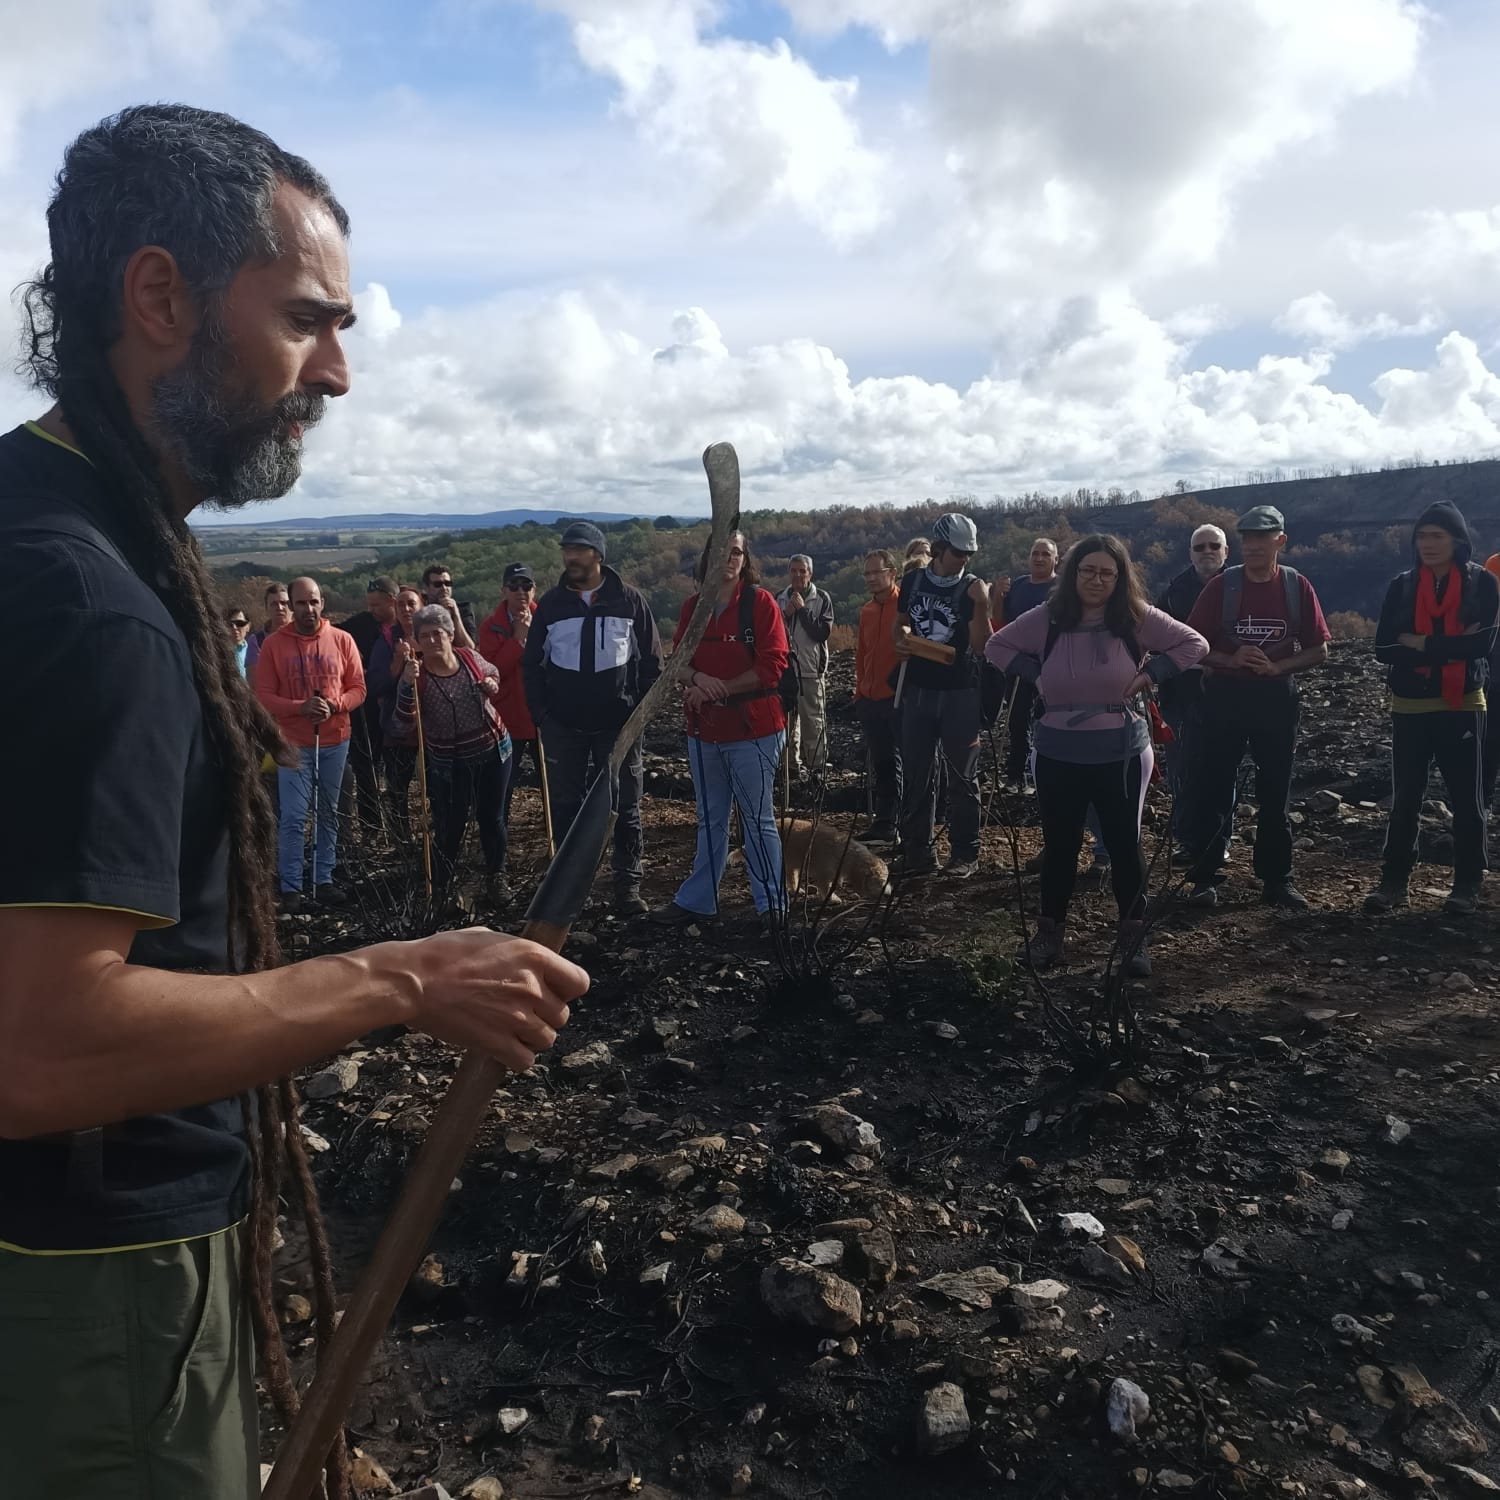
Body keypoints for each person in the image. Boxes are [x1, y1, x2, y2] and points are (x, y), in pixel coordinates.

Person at [0, 104, 586, 1500]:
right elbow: (43, 1049)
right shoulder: (95, 608)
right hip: (91, 1281)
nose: (337, 374)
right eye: (307, 322)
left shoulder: (29, 517)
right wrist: (402, 975)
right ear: (160, 296)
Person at [987, 535, 1207, 975]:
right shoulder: (1048, 617)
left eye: (1108, 573)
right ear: (1073, 572)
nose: (1097, 580)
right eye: (1088, 570)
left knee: (1126, 845)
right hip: (1057, 751)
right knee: (1061, 846)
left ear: (1120, 577)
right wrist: (1036, 675)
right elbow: (996, 647)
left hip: (1121, 751)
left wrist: (1152, 674)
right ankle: (1050, 935)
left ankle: (1133, 939)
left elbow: (1194, 644)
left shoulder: (1134, 618)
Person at [1183, 505, 1331, 910]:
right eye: (1247, 538)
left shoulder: (1297, 587)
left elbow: (1319, 649)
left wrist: (1277, 666)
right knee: (1212, 786)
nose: (1252, 546)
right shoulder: (1220, 587)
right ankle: (1205, 877)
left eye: (1262, 538)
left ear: (1280, 541)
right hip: (1224, 698)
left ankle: (1277, 879)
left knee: (1276, 789)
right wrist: (1230, 660)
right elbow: (1192, 645)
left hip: (1275, 699)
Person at [523, 520, 662, 915]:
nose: (570, 557)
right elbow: (532, 665)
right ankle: (570, 889)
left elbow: (652, 663)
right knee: (567, 807)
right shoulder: (550, 605)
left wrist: (639, 714)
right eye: (567, 550)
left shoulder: (630, 601)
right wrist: (543, 715)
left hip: (619, 727)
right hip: (563, 726)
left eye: (579, 551)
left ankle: (627, 887)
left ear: (598, 557)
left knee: (626, 807)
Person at [1365, 504, 1499, 915]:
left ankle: (1467, 883)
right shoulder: (1402, 586)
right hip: (1410, 704)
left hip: (1463, 703)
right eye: (1422, 537)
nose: (1428, 545)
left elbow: (1482, 646)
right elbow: (1383, 648)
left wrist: (1419, 643)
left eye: (1437, 536)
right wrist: (1451, 645)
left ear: (1457, 541)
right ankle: (1394, 881)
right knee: (1406, 796)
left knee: (1467, 798)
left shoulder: (1483, 584)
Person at [653, 531, 790, 927]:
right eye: (721, 553)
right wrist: (698, 680)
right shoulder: (693, 608)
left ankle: (771, 905)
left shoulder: (760, 604)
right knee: (709, 817)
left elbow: (773, 666)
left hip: (754, 731)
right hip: (705, 731)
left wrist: (721, 688)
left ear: (745, 560)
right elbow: (678, 659)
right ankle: (698, 900)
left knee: (757, 819)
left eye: (736, 553)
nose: (729, 559)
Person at [254, 576, 367, 908]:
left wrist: (335, 706)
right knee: (293, 815)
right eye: (301, 603)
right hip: (293, 744)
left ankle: (323, 878)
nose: (308, 609)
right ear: (290, 605)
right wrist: (299, 708)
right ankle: (290, 885)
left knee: (328, 813)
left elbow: (358, 688)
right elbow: (264, 696)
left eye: (314, 601)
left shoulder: (343, 640)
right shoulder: (274, 645)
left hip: (336, 739)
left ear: (323, 603)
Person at [394, 604, 513, 909]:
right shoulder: (417, 675)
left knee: (492, 817)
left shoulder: (469, 658)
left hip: (493, 750)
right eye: (425, 636)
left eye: (438, 633)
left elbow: (493, 673)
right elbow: (403, 722)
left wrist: (491, 684)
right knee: (450, 824)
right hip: (449, 763)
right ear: (417, 642)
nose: (433, 640)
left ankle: (496, 877)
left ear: (449, 634)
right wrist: (406, 684)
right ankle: (442, 887)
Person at [893, 513, 992, 878]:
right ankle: (918, 853)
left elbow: (982, 646)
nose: (964, 559)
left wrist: (982, 605)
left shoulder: (972, 589)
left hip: (959, 693)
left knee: (963, 775)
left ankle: (965, 854)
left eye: (968, 553)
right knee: (918, 771)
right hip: (918, 689)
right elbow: (901, 623)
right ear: (938, 549)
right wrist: (901, 641)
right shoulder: (912, 581)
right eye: (957, 552)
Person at [1156, 524, 1228, 859]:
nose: (1207, 552)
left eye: (1214, 545)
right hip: (1180, 694)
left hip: (1231, 692)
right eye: (1199, 547)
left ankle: (1218, 842)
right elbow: (1156, 641)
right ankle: (1187, 841)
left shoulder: (1240, 586)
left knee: (1221, 769)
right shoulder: (1173, 593)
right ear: (1190, 553)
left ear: (1225, 551)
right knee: (1181, 768)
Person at [336, 574, 400, 839]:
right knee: (366, 769)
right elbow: (333, 633)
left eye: (377, 605)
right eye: (369, 604)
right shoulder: (360, 624)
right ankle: (371, 827)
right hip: (367, 707)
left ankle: (399, 826)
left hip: (400, 705)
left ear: (392, 601)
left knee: (397, 770)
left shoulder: (407, 624)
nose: (372, 610)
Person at [477, 561, 541, 824]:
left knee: (557, 787)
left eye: (526, 585)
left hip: (542, 716)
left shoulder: (547, 618)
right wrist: (517, 640)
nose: (520, 591)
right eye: (514, 586)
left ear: (534, 590)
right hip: (507, 720)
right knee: (502, 789)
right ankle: (497, 849)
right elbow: (493, 669)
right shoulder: (490, 626)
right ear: (504, 591)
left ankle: (563, 845)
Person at [993, 538, 1060, 788]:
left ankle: (1044, 775)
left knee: (1048, 720)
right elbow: (1000, 620)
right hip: (1018, 664)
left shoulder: (1061, 587)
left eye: (1045, 554)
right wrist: (997, 597)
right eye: (1035, 553)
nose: (1039, 558)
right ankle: (1015, 775)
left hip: (1051, 664)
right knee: (1017, 720)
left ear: (1056, 559)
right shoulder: (1019, 585)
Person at [855, 548, 902, 844]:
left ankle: (905, 826)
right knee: (882, 764)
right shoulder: (867, 611)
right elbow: (862, 653)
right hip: (870, 700)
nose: (871, 578)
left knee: (904, 764)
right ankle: (885, 825)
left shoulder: (906, 606)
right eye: (867, 573)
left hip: (897, 700)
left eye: (877, 572)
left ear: (892, 573)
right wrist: (860, 691)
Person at [369, 585, 424, 836]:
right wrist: (397, 663)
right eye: (401, 605)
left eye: (411, 604)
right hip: (398, 726)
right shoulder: (387, 642)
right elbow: (376, 684)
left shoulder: (435, 633)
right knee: (398, 787)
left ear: (421, 605)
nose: (406, 609)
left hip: (434, 722)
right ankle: (402, 838)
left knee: (436, 784)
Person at [777, 553, 834, 776]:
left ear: (810, 573)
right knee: (787, 723)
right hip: (784, 671)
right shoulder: (779, 597)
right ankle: (789, 766)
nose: (798, 575)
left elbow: (822, 633)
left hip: (811, 671)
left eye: (803, 571)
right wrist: (786, 614)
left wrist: (802, 611)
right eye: (794, 570)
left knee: (813, 721)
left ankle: (816, 768)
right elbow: (771, 632)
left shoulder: (822, 598)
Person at [244, 579, 290, 689]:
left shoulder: (306, 636)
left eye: (284, 603)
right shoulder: (257, 641)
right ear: (266, 608)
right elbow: (254, 683)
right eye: (274, 604)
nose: (279, 608)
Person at [422, 562, 477, 649]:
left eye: (448, 583)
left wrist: (456, 615)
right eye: (438, 584)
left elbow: (469, 648)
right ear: (426, 588)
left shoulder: (464, 610)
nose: (444, 588)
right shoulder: (421, 613)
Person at [227, 605, 251, 676]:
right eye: (230, 624)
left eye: (239, 623)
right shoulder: (218, 653)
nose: (234, 627)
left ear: (248, 627)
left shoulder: (256, 653)